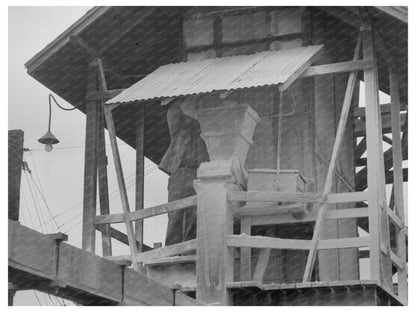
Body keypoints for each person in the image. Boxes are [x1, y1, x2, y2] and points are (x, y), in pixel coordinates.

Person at [159, 97, 209, 246]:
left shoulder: (204, 119)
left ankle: (189, 251)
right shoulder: (176, 111)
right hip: (180, 171)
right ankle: (171, 254)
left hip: (198, 172)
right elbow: (182, 109)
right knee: (175, 215)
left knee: (195, 216)